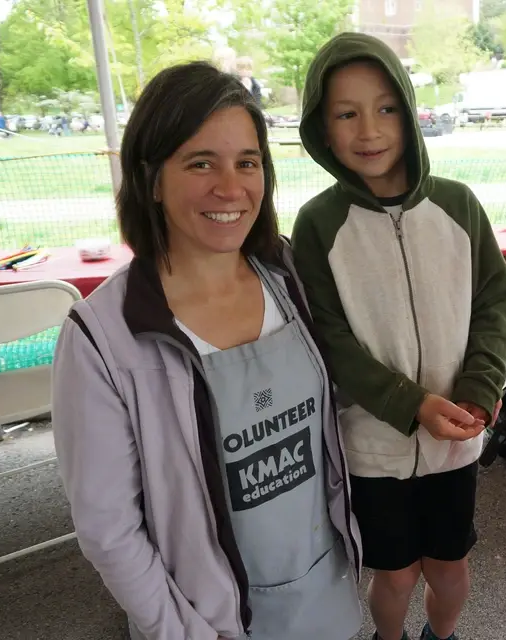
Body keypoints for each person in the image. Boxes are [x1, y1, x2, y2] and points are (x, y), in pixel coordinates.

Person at [51, 61, 362, 640]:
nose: (231, 187)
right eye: (201, 163)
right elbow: (108, 529)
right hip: (209, 622)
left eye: (248, 162)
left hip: (325, 596)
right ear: (150, 179)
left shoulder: (288, 275)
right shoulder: (104, 337)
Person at [291, 32, 506, 640]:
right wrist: (409, 404)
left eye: (386, 108)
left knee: (450, 567)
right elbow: (327, 336)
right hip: (373, 448)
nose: (369, 130)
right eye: (346, 113)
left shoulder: (459, 206)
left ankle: (441, 637)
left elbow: (494, 298)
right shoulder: (318, 225)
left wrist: (478, 390)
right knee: (394, 577)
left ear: (411, 113)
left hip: (455, 442)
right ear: (323, 127)